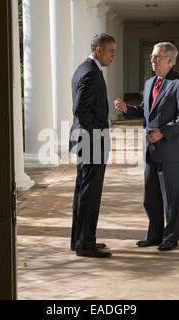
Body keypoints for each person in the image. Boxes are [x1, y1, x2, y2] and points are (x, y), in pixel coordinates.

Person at [115, 42, 179, 251]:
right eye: (151, 56)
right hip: (150, 150)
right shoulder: (150, 83)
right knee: (150, 198)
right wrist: (127, 109)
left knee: (171, 199)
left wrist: (163, 132)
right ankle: (154, 235)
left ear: (170, 60)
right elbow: (144, 110)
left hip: (171, 150)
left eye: (157, 57)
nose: (152, 60)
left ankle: (171, 237)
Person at [69, 34, 116, 258]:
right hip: (90, 142)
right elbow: (80, 109)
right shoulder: (89, 72)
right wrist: (95, 138)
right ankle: (86, 245)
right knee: (89, 194)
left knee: (83, 192)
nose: (113, 56)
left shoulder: (85, 68)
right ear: (98, 50)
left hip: (87, 141)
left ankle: (80, 241)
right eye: (111, 51)